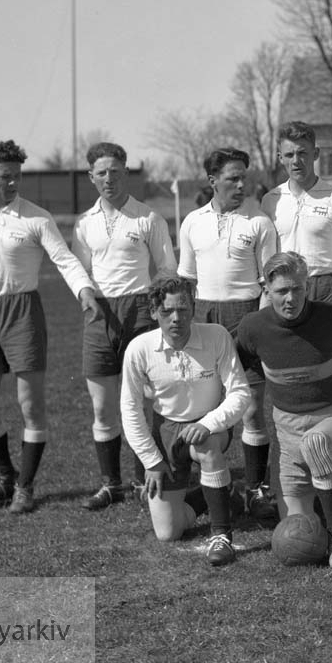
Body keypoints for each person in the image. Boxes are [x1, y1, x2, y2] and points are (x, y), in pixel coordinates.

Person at [0, 139, 103, 515]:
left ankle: (25, 487)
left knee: (30, 404)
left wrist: (84, 291)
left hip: (23, 312)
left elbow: (64, 259)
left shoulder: (36, 217)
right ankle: (3, 478)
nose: (14, 183)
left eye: (18, 176)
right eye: (6, 176)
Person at [236, 252, 332, 569]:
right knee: (297, 533)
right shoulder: (253, 328)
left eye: (297, 289)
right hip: (287, 434)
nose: (290, 298)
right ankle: (322, 510)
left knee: (316, 444)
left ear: (307, 287)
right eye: (281, 291)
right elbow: (230, 367)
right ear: (267, 290)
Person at [72, 142, 178, 510]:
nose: (109, 179)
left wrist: (155, 303)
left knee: (145, 399)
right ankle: (110, 484)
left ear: (126, 173)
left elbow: (167, 268)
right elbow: (79, 271)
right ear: (91, 178)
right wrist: (85, 295)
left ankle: (142, 478)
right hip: (100, 316)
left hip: (140, 312)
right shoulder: (84, 224)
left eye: (115, 171)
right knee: (103, 407)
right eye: (101, 173)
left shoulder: (147, 218)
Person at [178, 147, 279, 519]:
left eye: (244, 178)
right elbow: (187, 279)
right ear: (212, 181)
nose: (240, 184)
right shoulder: (192, 222)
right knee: (203, 405)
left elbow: (268, 284)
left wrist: (259, 327)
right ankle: (206, 484)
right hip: (204, 316)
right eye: (232, 178)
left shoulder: (260, 222)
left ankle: (255, 488)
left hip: (246, 315)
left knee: (251, 409)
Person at [120, 277, 251, 566]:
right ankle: (218, 493)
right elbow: (130, 410)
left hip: (209, 425)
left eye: (183, 309)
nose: (176, 318)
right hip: (165, 429)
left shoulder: (217, 336)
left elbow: (240, 392)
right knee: (168, 533)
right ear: (154, 312)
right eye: (167, 311)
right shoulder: (139, 349)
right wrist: (151, 461)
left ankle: (221, 535)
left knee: (205, 446)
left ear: (193, 306)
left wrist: (210, 423)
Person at [261, 121, 332, 305]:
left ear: (315, 154)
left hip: (326, 287)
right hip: (285, 287)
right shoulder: (270, 200)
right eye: (289, 155)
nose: (296, 161)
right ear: (280, 157)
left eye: (302, 153)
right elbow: (266, 257)